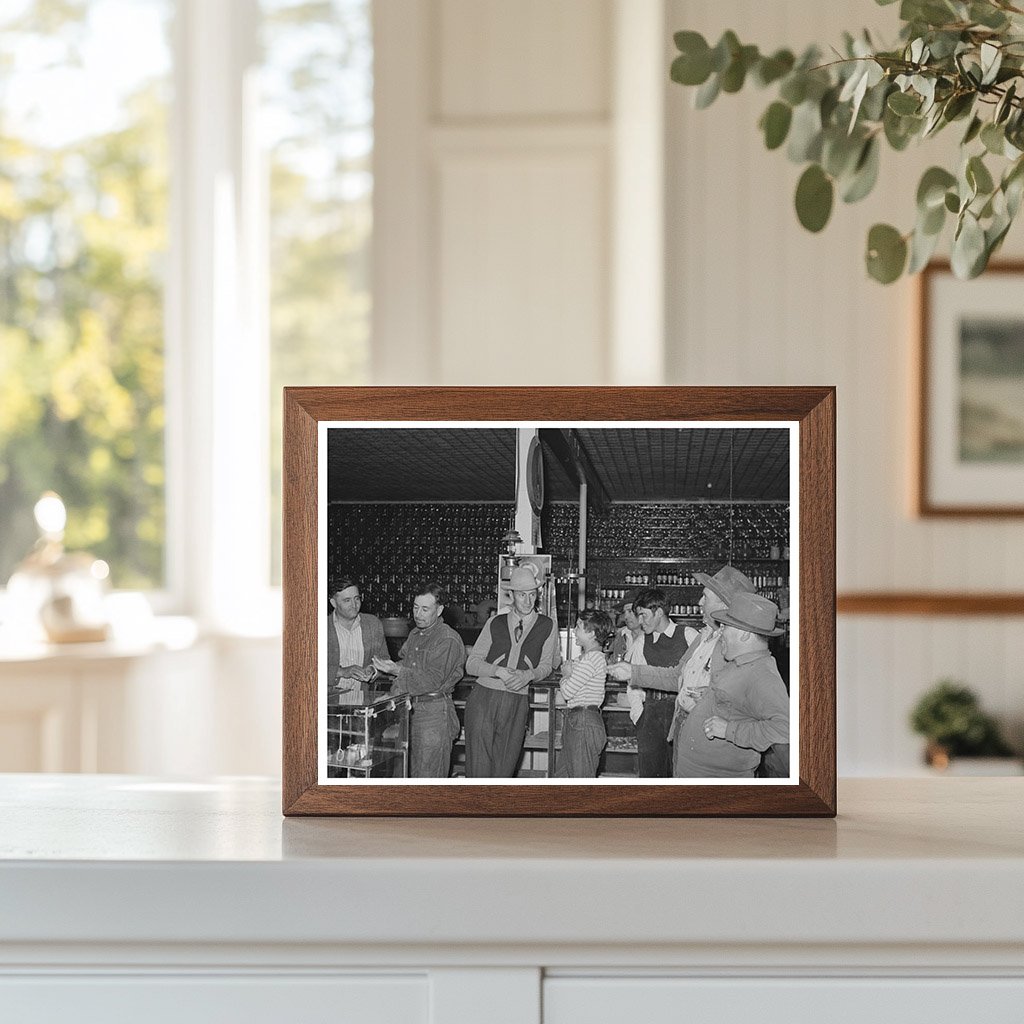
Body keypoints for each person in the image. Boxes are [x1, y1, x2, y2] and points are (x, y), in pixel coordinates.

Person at [607, 565, 756, 777]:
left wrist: (714, 696)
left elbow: (749, 702)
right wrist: (633, 672)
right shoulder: (704, 637)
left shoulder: (734, 645)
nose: (699, 603)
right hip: (681, 723)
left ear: (724, 604)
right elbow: (677, 675)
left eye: (705, 597)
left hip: (710, 735)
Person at [678, 591, 790, 778]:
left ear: (745, 635)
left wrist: (729, 730)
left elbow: (784, 729)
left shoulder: (762, 675)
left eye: (725, 627)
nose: (720, 632)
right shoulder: (738, 662)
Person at [464, 565, 561, 777]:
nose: (528, 600)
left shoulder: (548, 625)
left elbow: (547, 665)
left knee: (504, 770)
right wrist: (497, 671)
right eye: (521, 595)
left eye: (532, 594)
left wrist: (528, 675)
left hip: (517, 702)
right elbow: (471, 664)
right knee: (477, 769)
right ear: (511, 595)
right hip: (483, 699)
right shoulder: (494, 622)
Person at [372, 583, 465, 778]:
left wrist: (396, 669)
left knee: (428, 778)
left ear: (439, 610)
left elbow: (432, 680)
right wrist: (379, 672)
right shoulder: (415, 634)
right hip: (409, 711)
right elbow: (407, 665)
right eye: (415, 607)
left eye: (425, 609)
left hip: (433, 714)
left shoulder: (447, 639)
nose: (418, 614)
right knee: (405, 772)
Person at [630, 588, 689, 778]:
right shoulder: (641, 642)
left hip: (680, 713)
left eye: (644, 616)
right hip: (651, 714)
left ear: (660, 612)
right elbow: (633, 682)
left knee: (679, 771)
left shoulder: (688, 635)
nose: (640, 622)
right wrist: (639, 716)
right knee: (650, 774)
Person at [554, 609, 611, 778]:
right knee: (563, 777)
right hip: (577, 720)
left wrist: (566, 675)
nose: (574, 631)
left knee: (581, 779)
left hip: (584, 720)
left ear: (592, 633)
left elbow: (567, 692)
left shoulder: (593, 658)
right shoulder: (587, 658)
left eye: (578, 626)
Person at [327, 576, 387, 687]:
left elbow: (384, 659)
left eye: (357, 598)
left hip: (362, 699)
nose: (354, 605)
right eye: (347, 600)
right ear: (333, 603)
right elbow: (308, 667)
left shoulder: (373, 624)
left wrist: (373, 669)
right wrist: (341, 672)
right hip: (329, 699)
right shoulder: (321, 627)